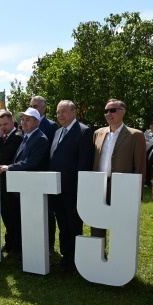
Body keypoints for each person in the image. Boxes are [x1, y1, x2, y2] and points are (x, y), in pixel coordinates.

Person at [0, 108, 49, 257]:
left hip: (32, 187)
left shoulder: (40, 138)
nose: (24, 122)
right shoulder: (27, 136)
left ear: (37, 122)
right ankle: (16, 246)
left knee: (26, 221)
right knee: (15, 218)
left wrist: (9, 167)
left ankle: (25, 250)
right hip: (21, 186)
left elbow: (31, 162)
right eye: (23, 119)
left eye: (28, 120)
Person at [91, 99, 146, 237]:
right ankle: (99, 250)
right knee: (97, 227)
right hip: (99, 187)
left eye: (112, 110)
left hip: (123, 188)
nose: (108, 114)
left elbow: (140, 166)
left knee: (121, 229)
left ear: (123, 112)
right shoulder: (98, 133)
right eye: (106, 111)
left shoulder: (136, 135)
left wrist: (137, 192)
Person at [49, 100, 94, 270]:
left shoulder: (84, 131)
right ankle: (66, 257)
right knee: (62, 224)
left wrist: (79, 189)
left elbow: (84, 163)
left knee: (73, 225)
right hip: (56, 188)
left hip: (72, 189)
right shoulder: (57, 132)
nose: (60, 115)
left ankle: (76, 260)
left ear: (74, 112)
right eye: (58, 112)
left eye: (64, 111)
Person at [30, 95, 59, 251]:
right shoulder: (26, 124)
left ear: (44, 108)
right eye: (31, 106)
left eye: (35, 106)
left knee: (48, 212)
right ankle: (34, 242)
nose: (32, 108)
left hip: (45, 174)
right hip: (29, 175)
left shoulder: (52, 126)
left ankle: (49, 246)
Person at [0, 111, 24, 254]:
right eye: (0, 125)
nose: (2, 127)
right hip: (1, 182)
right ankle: (9, 242)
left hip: (12, 182)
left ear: (12, 122)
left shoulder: (17, 136)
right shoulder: (4, 136)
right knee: (5, 215)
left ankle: (16, 246)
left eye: (5, 124)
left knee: (13, 215)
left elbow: (5, 156)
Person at [144, 121, 153, 187]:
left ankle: (148, 181)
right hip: (144, 150)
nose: (152, 126)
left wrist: (148, 140)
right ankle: (144, 180)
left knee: (149, 166)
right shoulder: (147, 132)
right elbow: (143, 139)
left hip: (152, 151)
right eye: (151, 124)